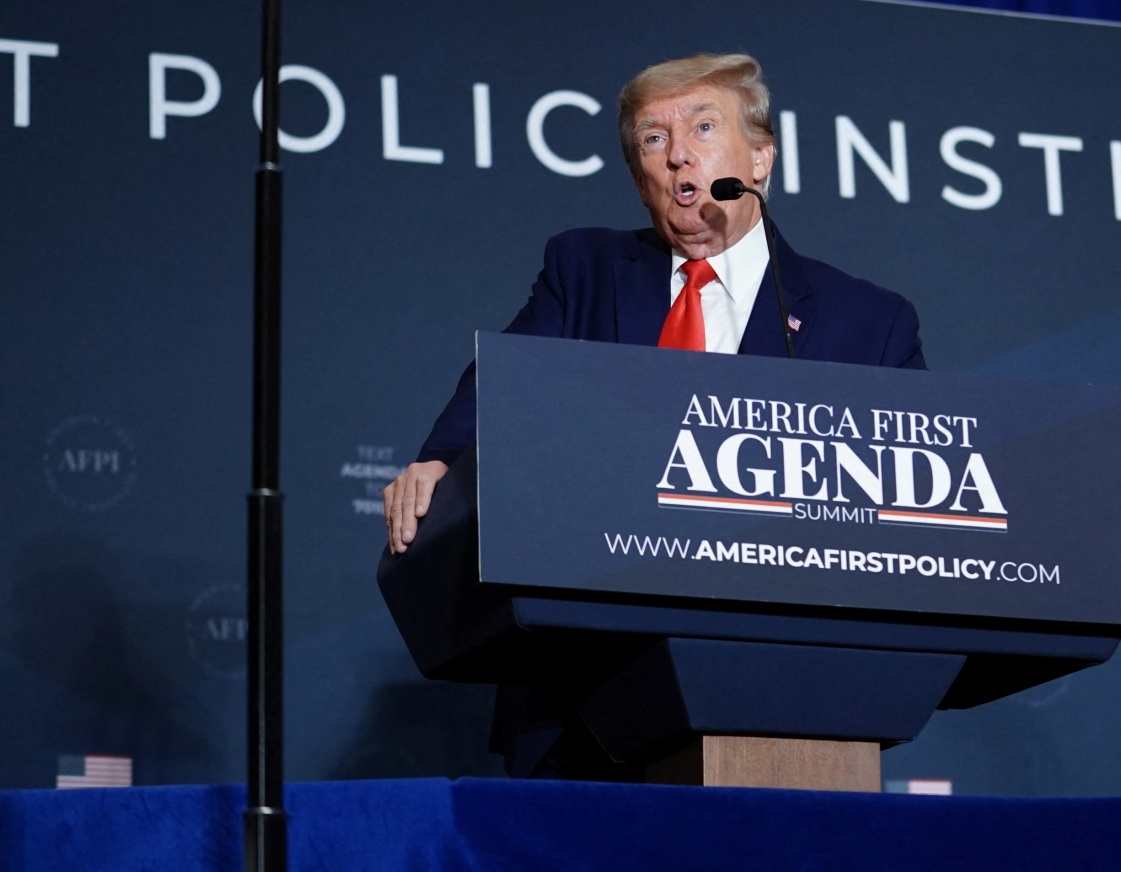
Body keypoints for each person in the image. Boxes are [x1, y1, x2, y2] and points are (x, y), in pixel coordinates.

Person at [381, 51, 926, 777]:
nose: (677, 156)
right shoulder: (586, 272)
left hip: (786, 693)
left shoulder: (869, 323)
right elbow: (507, 388)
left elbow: (910, 499)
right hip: (584, 695)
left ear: (759, 159)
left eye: (703, 128)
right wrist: (441, 463)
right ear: (640, 180)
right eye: (652, 139)